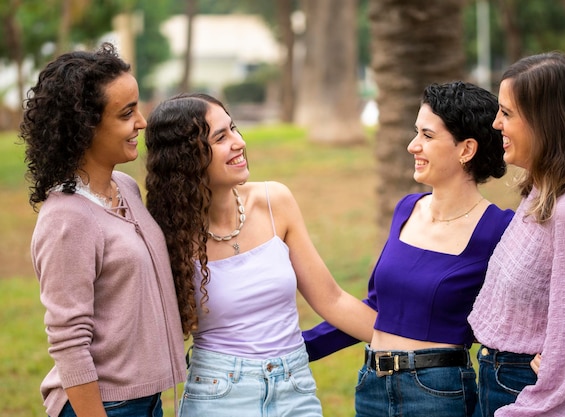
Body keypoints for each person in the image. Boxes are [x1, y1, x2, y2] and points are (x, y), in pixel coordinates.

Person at [143, 92, 377, 417]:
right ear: (187, 157)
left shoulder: (274, 201)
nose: (238, 142)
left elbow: (332, 300)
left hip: (295, 389)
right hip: (218, 394)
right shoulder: (167, 233)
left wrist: (416, 344)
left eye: (233, 128)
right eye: (220, 137)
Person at [303, 81, 514, 417]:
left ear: (466, 149)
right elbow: (378, 309)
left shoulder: (500, 229)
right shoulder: (406, 209)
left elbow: (524, 318)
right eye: (416, 133)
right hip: (372, 386)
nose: (412, 145)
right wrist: (301, 347)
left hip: (437, 394)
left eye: (427, 136)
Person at [19, 43, 186, 417]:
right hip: (106, 406)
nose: (141, 122)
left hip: (146, 401)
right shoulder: (68, 218)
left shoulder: (125, 188)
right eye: (127, 114)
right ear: (85, 127)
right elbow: (68, 342)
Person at [468, 51, 565, 416]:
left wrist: (550, 394)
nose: (495, 124)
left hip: (522, 392)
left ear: (546, 122)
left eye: (507, 113)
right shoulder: (542, 193)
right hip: (500, 377)